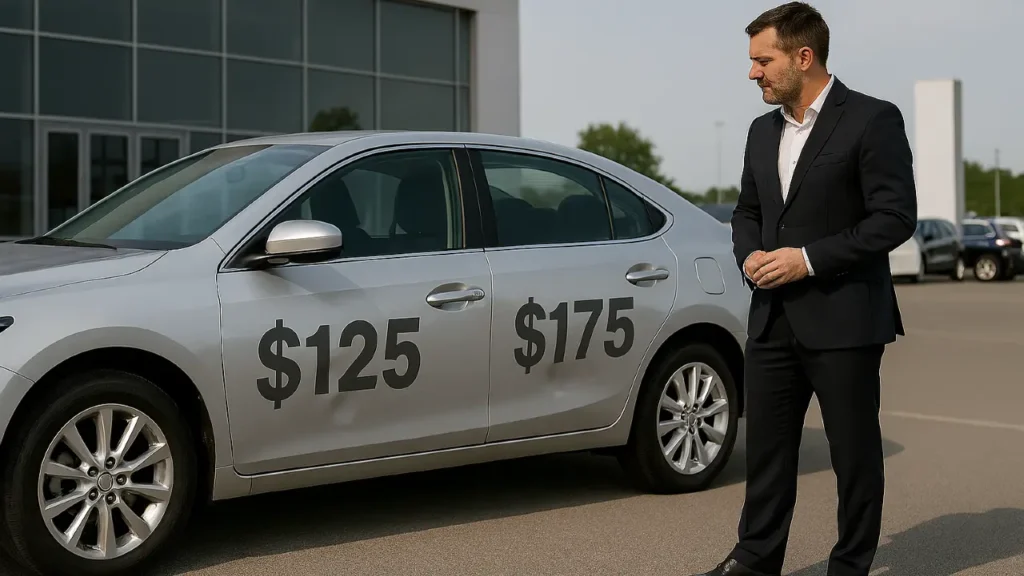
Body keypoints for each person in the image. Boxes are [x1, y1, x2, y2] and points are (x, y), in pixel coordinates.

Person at [690, 3, 917, 576]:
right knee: (766, 453)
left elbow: (894, 218)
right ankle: (755, 559)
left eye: (762, 60)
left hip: (845, 320)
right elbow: (746, 211)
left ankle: (850, 564)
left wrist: (808, 261)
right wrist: (752, 257)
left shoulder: (872, 119)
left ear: (803, 56)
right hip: (771, 320)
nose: (753, 73)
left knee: (854, 457)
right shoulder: (760, 131)